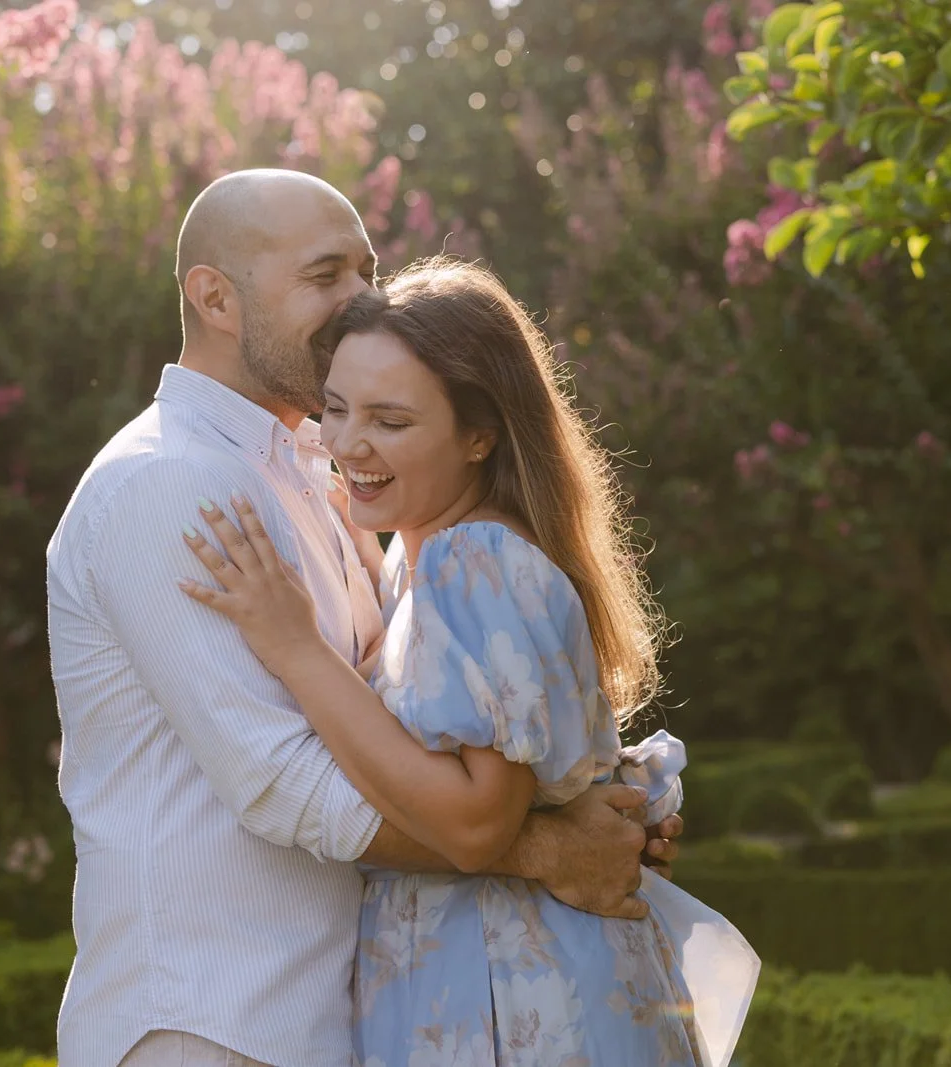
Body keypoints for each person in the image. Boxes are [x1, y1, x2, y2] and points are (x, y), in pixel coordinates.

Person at [45, 169, 683, 1067]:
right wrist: (545, 845)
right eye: (325, 275)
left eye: (366, 269)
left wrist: (586, 791)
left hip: (334, 1012)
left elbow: (433, 700)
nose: (360, 300)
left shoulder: (319, 472)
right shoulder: (168, 481)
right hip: (211, 1021)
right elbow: (280, 778)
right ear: (214, 296)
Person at [177, 258, 759, 1066]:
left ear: (480, 434)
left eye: (392, 420)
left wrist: (294, 645)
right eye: (338, 409)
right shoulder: (428, 561)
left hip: (515, 997)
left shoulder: (476, 560)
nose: (348, 443)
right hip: (473, 982)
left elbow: (476, 824)